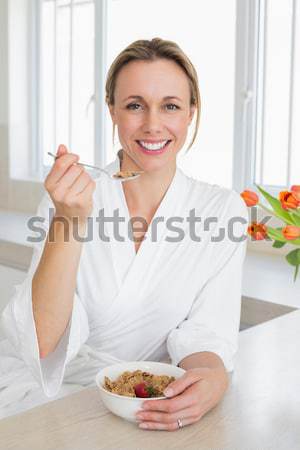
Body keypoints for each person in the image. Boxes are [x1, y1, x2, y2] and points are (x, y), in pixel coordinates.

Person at [0, 37, 248, 430]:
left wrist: (211, 381)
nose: (152, 124)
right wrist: (69, 220)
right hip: (48, 394)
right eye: (134, 105)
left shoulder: (221, 211)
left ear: (190, 113)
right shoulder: (69, 200)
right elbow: (44, 342)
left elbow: (206, 336)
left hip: (142, 404)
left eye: (170, 106)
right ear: (112, 111)